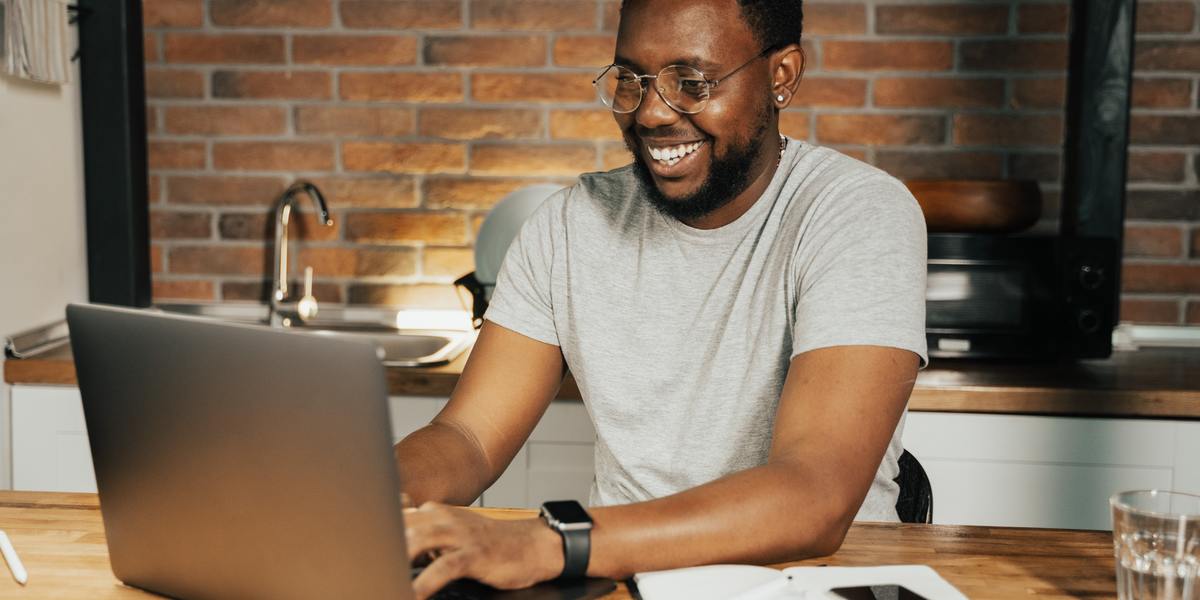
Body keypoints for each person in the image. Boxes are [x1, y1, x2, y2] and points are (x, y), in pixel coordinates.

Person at [396, 0, 927, 597]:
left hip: (815, 585)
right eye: (633, 80)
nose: (651, 113)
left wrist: (552, 542)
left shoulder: (857, 214)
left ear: (782, 76)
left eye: (692, 83)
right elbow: (468, 436)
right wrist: (370, 499)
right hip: (624, 580)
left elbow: (814, 497)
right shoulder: (569, 225)